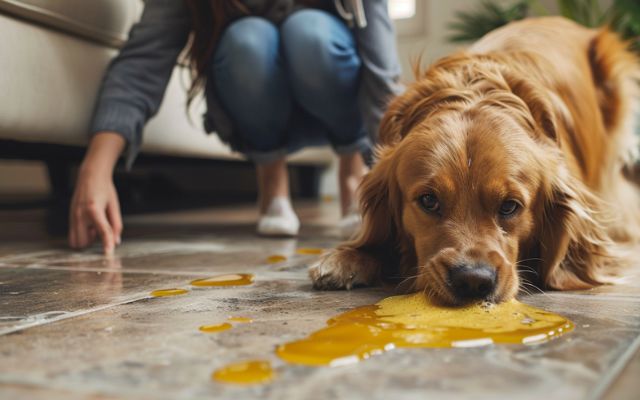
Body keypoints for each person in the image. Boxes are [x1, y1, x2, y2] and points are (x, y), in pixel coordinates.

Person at [69, 0, 402, 255]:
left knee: (309, 32)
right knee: (248, 40)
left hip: (334, 94)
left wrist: (394, 175)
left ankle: (352, 169)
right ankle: (271, 175)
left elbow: (381, 74)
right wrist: (95, 168)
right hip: (253, 98)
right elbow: (143, 62)